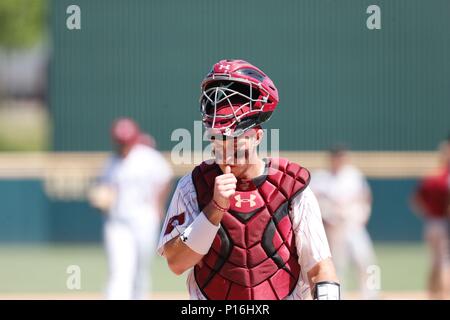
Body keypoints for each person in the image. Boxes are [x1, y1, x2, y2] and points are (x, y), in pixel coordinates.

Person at [157, 59, 339, 300]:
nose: (225, 149)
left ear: (257, 136)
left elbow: (320, 269)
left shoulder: (290, 187)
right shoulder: (194, 186)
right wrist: (215, 208)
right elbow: (177, 263)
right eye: (217, 138)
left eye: (235, 137)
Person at [89, 118, 173, 299]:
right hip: (117, 222)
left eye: (125, 141)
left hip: (144, 219)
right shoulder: (111, 162)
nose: (122, 145)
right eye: (120, 142)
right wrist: (102, 200)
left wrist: (158, 204)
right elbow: (104, 190)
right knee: (119, 269)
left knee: (140, 270)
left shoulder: (147, 157)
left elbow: (166, 177)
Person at [310, 145, 377, 299]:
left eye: (342, 157)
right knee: (337, 265)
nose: (340, 160)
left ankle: (371, 295)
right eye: (337, 157)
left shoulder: (353, 175)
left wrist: (364, 214)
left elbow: (365, 196)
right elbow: (314, 202)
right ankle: (339, 296)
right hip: (333, 228)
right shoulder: (320, 178)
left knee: (366, 261)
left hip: (353, 226)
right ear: (331, 159)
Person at [411, 138, 450, 299]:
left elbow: (415, 200)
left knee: (434, 262)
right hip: (444, 224)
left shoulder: (432, 178)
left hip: (431, 223)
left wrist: (427, 213)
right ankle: (444, 295)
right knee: (445, 263)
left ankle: (431, 295)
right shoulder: (445, 178)